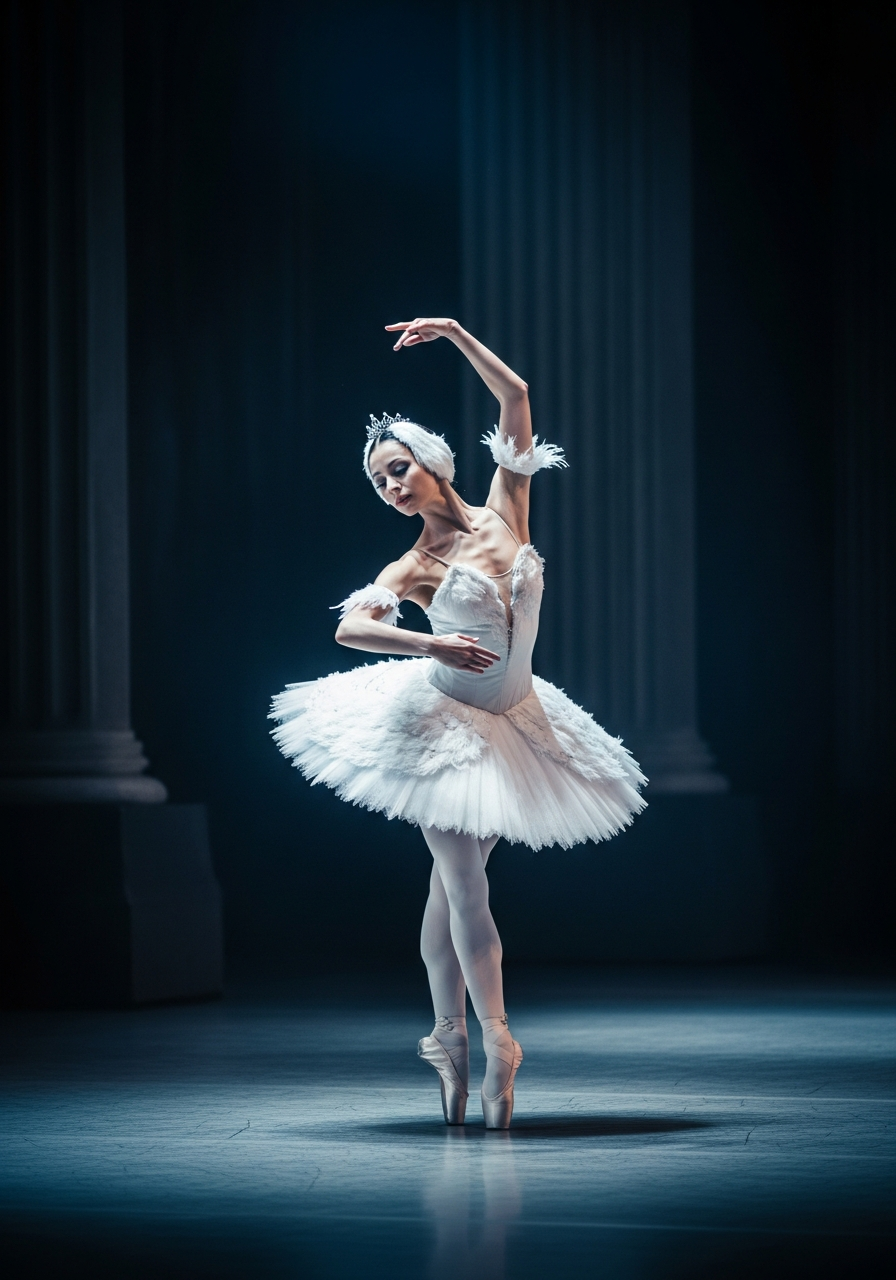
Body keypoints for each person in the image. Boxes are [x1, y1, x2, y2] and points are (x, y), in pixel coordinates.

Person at [270, 318, 646, 1129]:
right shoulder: (407, 565)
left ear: (433, 461)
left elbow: (514, 394)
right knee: (466, 880)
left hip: (514, 719)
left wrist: (452, 333)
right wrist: (427, 637)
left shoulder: (508, 509)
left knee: (450, 887)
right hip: (441, 725)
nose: (392, 487)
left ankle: (447, 1038)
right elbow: (350, 629)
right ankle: (498, 1040)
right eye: (379, 483)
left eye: (398, 469)